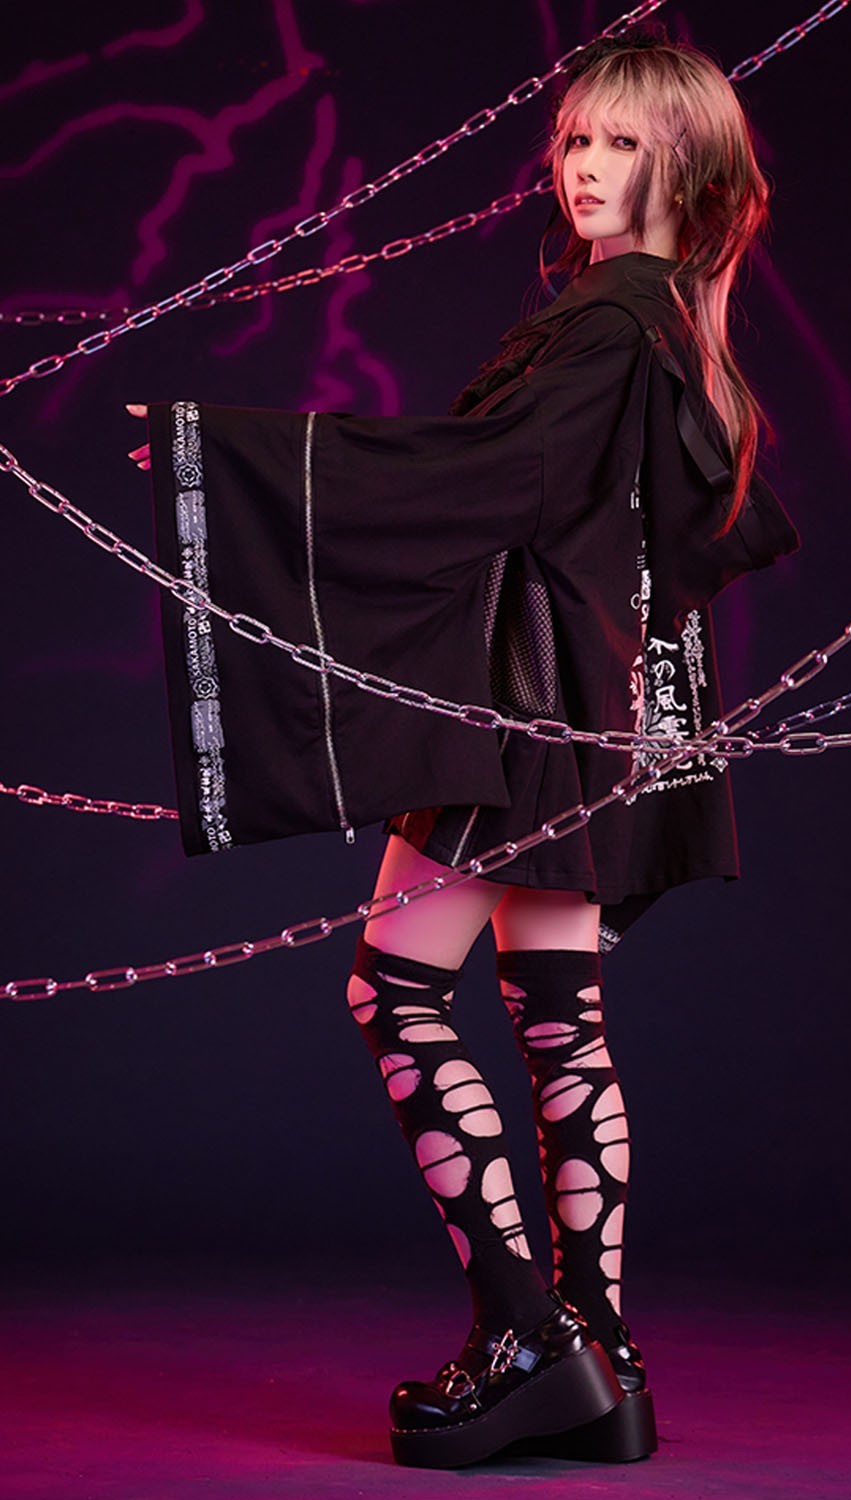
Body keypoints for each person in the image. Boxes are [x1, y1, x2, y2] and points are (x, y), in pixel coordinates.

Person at [127, 29, 798, 1469]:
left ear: (687, 164)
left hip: (531, 714)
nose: (585, 169)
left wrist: (219, 454)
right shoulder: (675, 327)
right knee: (561, 1017)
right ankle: (603, 1362)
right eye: (574, 140)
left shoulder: (612, 322)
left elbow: (490, 481)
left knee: (395, 993)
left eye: (622, 143)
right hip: (610, 713)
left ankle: (529, 1337)